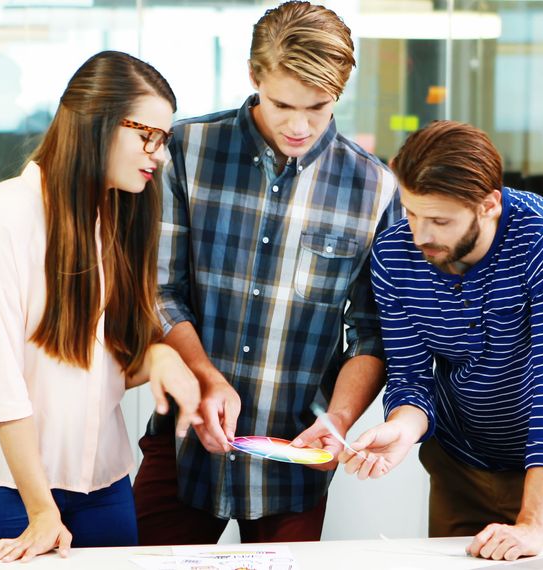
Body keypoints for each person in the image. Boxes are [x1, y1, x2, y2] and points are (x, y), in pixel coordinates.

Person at [134, 0, 399, 545]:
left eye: (319, 108)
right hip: (182, 441)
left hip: (295, 457)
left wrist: (341, 420)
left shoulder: (375, 189)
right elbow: (160, 289)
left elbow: (372, 333)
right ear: (254, 77)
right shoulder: (187, 149)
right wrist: (206, 380)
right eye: (282, 104)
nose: (299, 125)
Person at [0, 50, 201, 562]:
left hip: (100, 479)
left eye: (163, 140)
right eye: (147, 135)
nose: (158, 154)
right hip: (4, 484)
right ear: (95, 122)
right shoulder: (5, 215)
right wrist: (41, 511)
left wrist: (160, 357)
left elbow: (102, 360)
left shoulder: (118, 215)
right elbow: (3, 387)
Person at [340, 121, 543, 561]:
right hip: (459, 466)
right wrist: (402, 429)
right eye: (411, 213)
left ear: (489, 205)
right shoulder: (394, 254)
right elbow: (410, 376)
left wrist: (532, 526)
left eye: (440, 220)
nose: (421, 234)